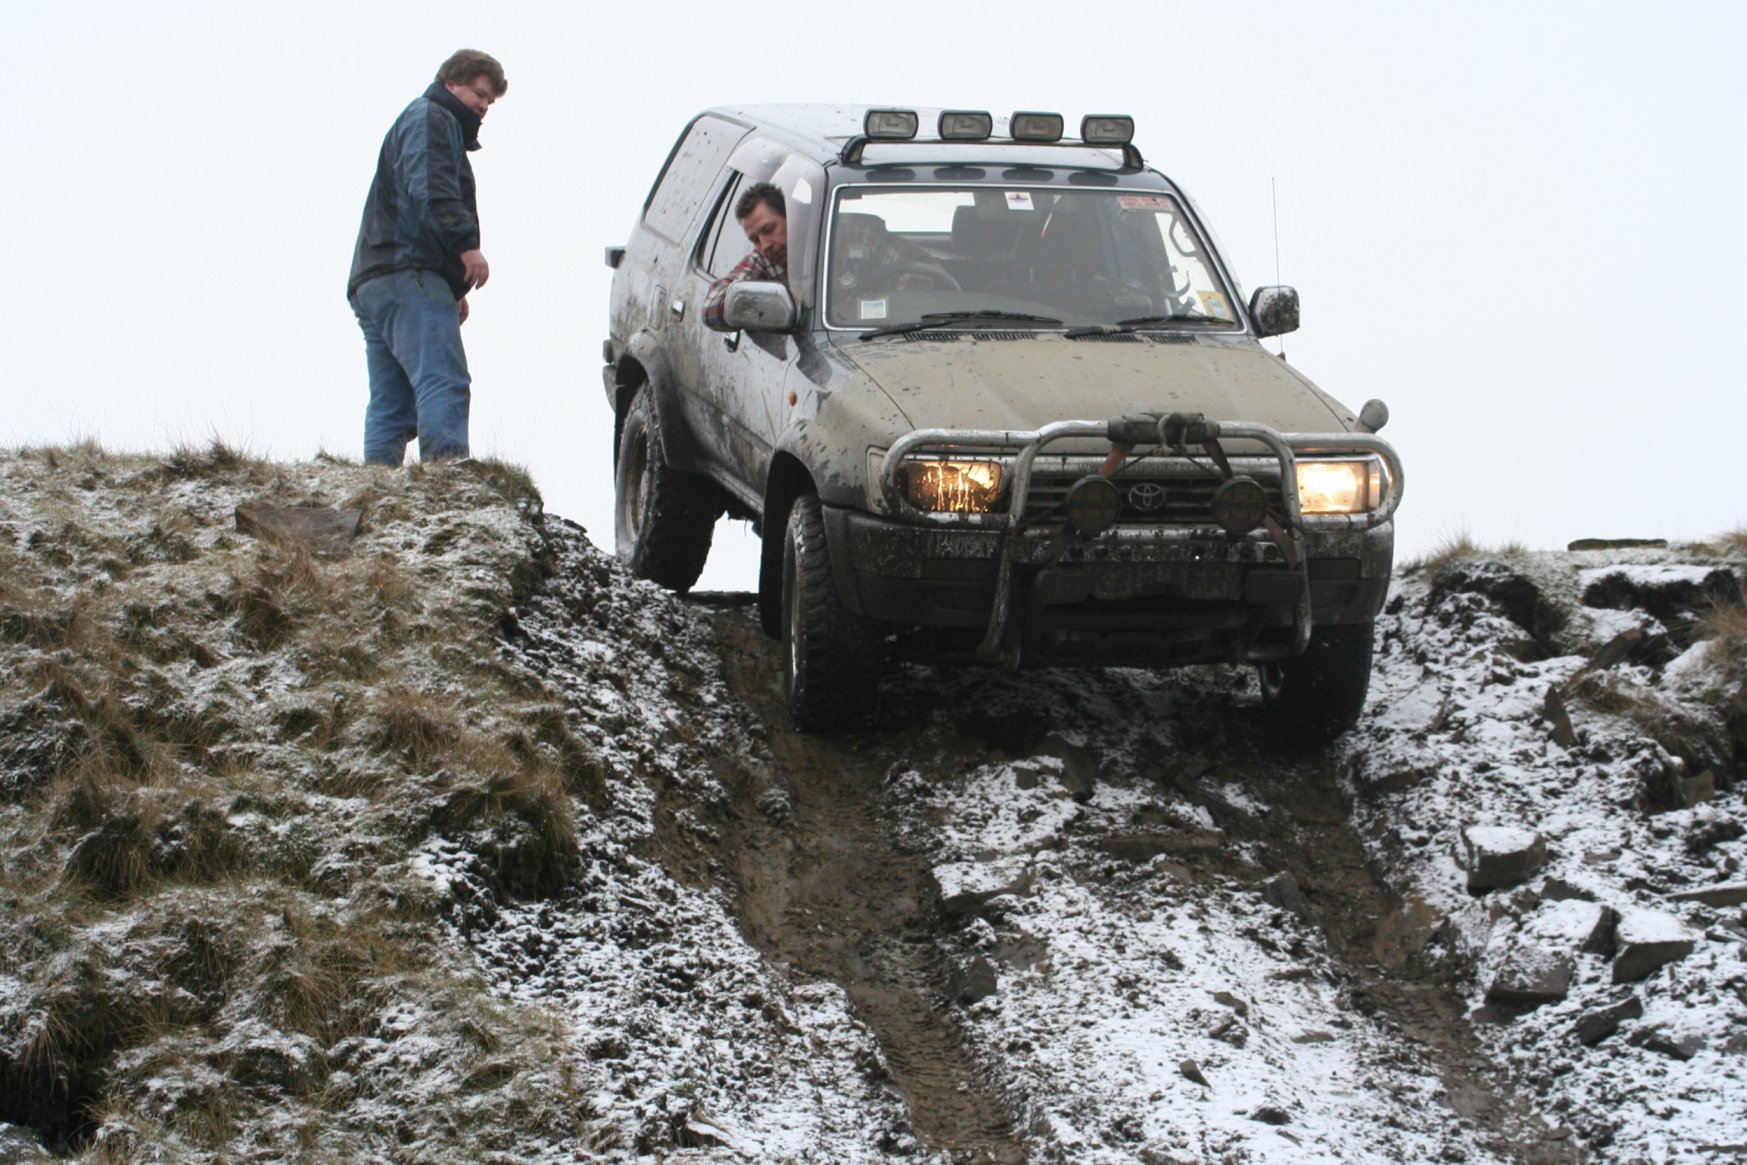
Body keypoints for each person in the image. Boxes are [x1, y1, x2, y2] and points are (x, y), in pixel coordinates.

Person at [347, 50, 507, 466]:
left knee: (392, 398)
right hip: (407, 271)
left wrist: (452, 288)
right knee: (443, 376)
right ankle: (446, 474)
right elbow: (432, 189)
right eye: (479, 93)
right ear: (450, 83)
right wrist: (466, 247)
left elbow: (417, 198)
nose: (484, 105)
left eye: (490, 101)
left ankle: (377, 483)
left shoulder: (422, 119)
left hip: (376, 278)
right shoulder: (433, 118)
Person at [702, 182, 942, 332]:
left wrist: (888, 309)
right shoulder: (764, 259)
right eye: (755, 239)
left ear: (794, 216)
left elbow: (921, 267)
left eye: (769, 229)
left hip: (885, 338)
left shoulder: (855, 234)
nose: (764, 245)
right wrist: (776, 301)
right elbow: (713, 303)